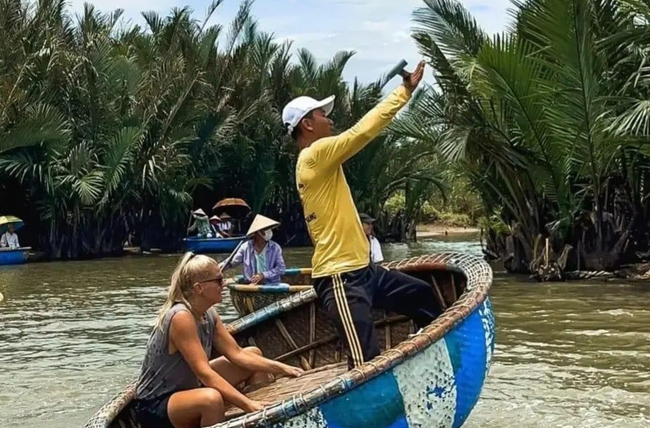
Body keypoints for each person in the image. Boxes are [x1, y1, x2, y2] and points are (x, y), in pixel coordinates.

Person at [281, 60, 442, 369]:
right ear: (308, 125)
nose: (329, 120)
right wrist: (404, 91)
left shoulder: (320, 160)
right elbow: (362, 132)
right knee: (365, 363)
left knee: (421, 294)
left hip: (364, 271)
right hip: (340, 277)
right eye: (322, 115)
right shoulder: (314, 155)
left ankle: (430, 361)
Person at [132, 252, 302, 428]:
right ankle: (245, 411)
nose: (225, 283)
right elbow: (204, 373)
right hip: (155, 404)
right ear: (199, 288)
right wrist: (247, 404)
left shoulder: (209, 314)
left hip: (189, 387)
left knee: (253, 355)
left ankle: (258, 421)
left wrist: (282, 367)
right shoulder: (181, 317)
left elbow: (236, 354)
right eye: (219, 280)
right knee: (211, 400)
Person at [220, 215, 285, 285]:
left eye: (269, 229)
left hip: (271, 284)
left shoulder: (275, 247)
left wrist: (263, 275)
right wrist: (218, 268)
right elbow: (231, 262)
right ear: (257, 233)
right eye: (265, 229)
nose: (268, 231)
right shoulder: (245, 247)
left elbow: (281, 269)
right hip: (251, 284)